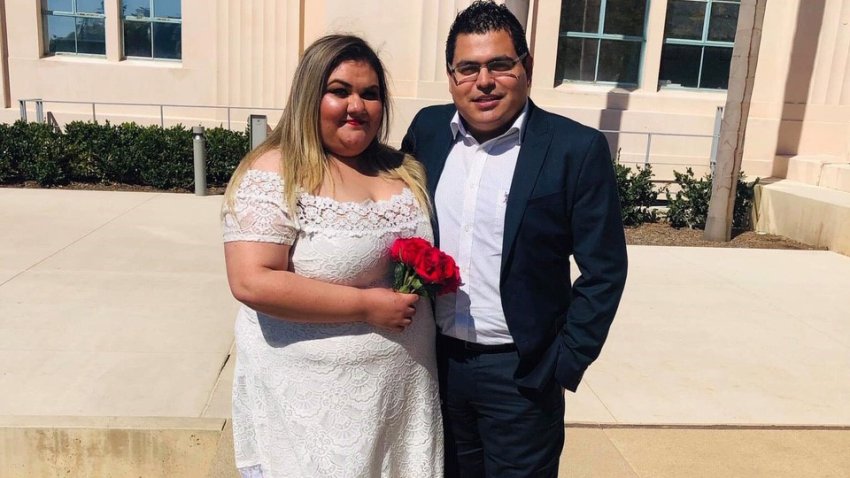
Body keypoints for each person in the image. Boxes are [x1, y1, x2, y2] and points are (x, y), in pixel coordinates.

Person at [401, 2, 628, 477]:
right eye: (468, 68)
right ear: (451, 77)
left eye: (500, 64)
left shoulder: (575, 150)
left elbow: (604, 269)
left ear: (526, 67)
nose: (483, 81)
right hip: (437, 367)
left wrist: (565, 362)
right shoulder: (427, 133)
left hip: (522, 377)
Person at [222, 34, 442, 478]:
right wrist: (366, 307)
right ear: (309, 96)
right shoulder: (276, 171)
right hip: (312, 410)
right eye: (339, 91)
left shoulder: (403, 169)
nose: (356, 106)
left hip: (401, 405)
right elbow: (252, 280)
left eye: (370, 94)